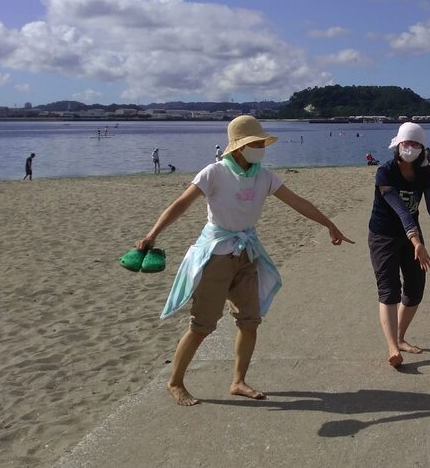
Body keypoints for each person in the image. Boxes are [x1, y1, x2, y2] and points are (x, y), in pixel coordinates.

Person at [134, 115, 353, 406]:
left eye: (262, 142)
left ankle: (238, 381)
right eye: (256, 142)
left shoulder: (265, 176)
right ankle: (175, 382)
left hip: (247, 254)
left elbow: (297, 201)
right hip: (215, 256)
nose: (261, 147)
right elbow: (181, 204)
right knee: (202, 326)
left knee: (250, 322)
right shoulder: (214, 172)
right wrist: (152, 235)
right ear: (238, 147)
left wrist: (329, 224)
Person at [367, 122, 430, 368]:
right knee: (389, 289)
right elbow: (401, 211)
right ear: (397, 145)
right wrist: (417, 241)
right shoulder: (385, 171)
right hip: (384, 235)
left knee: (415, 287)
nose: (409, 148)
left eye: (415, 144)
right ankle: (392, 346)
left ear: (422, 149)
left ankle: (400, 338)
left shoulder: (424, 172)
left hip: (411, 234)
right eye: (405, 144)